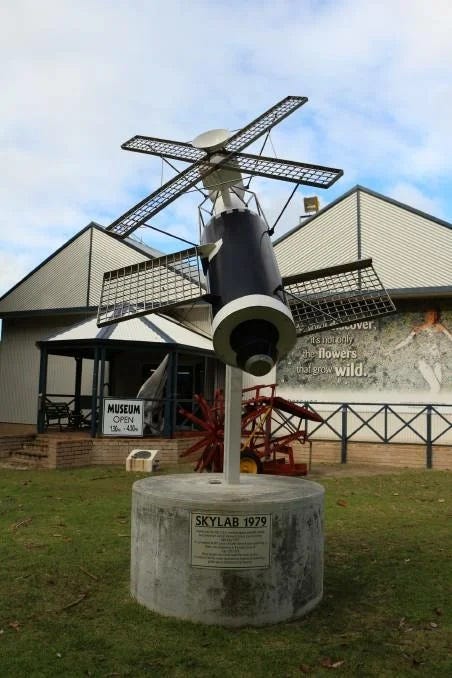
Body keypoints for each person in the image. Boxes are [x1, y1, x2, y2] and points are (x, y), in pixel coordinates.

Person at [392, 309, 452, 394]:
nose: (432, 316)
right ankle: (427, 404)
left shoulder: (439, 326)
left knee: (438, 388)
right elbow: (406, 340)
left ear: (436, 316)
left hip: (437, 361)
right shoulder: (419, 328)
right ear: (426, 315)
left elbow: (450, 336)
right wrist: (394, 348)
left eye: (434, 314)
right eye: (430, 313)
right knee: (436, 387)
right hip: (424, 361)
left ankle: (432, 404)